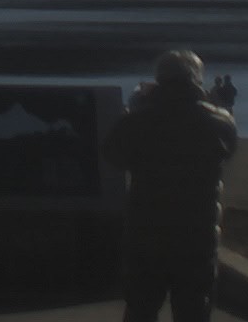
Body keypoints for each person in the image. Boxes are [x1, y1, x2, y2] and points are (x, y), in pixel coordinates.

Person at [101, 48, 239, 322]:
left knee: (141, 308)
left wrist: (136, 106)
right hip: (197, 235)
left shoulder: (138, 120)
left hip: (146, 233)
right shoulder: (218, 122)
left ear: (159, 78)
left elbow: (113, 154)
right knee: (194, 310)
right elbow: (229, 147)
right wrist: (221, 106)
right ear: (197, 79)